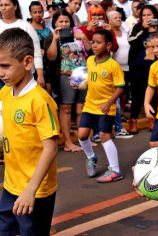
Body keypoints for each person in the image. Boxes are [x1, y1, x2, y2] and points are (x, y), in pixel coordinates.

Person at [0, 28, 60, 235]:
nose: (0, 72)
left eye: (5, 66)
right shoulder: (6, 92)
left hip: (35, 190)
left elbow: (51, 148)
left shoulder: (40, 101)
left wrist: (30, 191)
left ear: (27, 63)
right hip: (11, 184)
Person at [78, 29, 126, 183]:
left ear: (108, 45)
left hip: (106, 107)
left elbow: (120, 87)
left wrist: (109, 103)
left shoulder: (113, 65)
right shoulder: (90, 60)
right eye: (93, 42)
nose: (94, 45)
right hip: (89, 105)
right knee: (82, 135)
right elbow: (89, 78)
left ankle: (115, 170)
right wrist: (78, 83)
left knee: (105, 136)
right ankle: (91, 157)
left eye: (98, 43)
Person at [45, 9, 91, 152]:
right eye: (61, 21)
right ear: (54, 23)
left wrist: (83, 37)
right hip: (65, 76)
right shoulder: (51, 36)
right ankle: (68, 143)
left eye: (66, 21)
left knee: (81, 108)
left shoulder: (78, 33)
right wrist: (54, 39)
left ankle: (84, 140)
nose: (64, 24)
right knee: (66, 108)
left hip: (82, 76)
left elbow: (89, 50)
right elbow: (51, 57)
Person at [127, 4, 158, 134]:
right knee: (137, 96)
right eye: (144, 15)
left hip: (156, 68)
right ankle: (133, 120)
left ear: (155, 16)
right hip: (138, 68)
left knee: (155, 95)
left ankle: (152, 119)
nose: (146, 17)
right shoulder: (137, 28)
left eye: (149, 15)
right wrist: (143, 29)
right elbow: (131, 41)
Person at [0, 0, 45, 90]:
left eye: (6, 5)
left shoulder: (26, 26)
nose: (3, 7)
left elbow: (36, 53)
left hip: (23, 77)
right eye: (1, 5)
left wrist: (40, 75)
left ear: (15, 6)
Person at [107, 9, 133, 139]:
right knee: (115, 98)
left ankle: (119, 121)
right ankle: (117, 127)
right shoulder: (108, 32)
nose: (118, 19)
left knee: (123, 96)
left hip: (127, 67)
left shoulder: (125, 30)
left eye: (120, 17)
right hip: (114, 69)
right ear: (109, 20)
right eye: (115, 17)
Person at [29, 1, 53, 95]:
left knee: (49, 94)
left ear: (43, 12)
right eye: (35, 12)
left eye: (40, 12)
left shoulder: (47, 30)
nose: (38, 15)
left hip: (49, 65)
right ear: (30, 13)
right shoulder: (28, 29)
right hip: (34, 67)